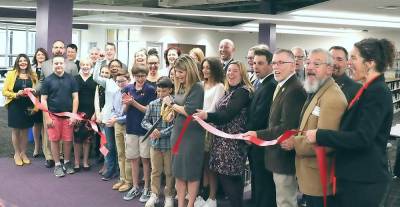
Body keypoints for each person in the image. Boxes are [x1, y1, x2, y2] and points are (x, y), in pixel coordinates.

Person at [305, 38, 396, 207]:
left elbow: (362, 138)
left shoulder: (377, 92)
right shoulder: (367, 89)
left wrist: (320, 135)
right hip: (354, 176)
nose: (348, 63)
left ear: (369, 63)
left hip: (363, 179)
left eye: (353, 58)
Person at [282, 49, 347, 207]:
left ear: (330, 69)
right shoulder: (318, 91)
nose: (310, 67)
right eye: (308, 62)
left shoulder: (332, 98)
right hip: (311, 176)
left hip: (320, 179)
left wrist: (294, 143)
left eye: (316, 64)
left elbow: (326, 141)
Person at [243, 49, 306, 207]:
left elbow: (287, 127)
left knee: (285, 201)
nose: (276, 66)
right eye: (274, 63)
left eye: (281, 63)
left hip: (284, 157)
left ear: (293, 66)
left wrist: (257, 133)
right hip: (275, 155)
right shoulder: (282, 85)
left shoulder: (295, 89)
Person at [195, 60, 252, 207]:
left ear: (242, 74)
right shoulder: (231, 91)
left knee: (231, 182)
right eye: (229, 70)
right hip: (222, 143)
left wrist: (207, 115)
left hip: (232, 145)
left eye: (235, 71)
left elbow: (227, 114)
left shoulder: (242, 92)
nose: (231, 74)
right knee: (227, 182)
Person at [163, 54, 204, 207]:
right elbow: (180, 109)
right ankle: (181, 204)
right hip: (178, 133)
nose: (178, 75)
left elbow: (189, 111)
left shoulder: (197, 87)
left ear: (190, 70)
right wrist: (172, 113)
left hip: (192, 136)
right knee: (179, 173)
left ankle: (190, 204)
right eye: (176, 72)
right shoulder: (181, 86)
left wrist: (172, 104)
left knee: (191, 173)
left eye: (181, 72)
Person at [39, 40, 79, 168]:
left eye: (61, 47)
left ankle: (65, 161)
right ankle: (52, 160)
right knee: (52, 138)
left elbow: (75, 95)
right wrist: (46, 116)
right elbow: (42, 95)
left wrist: (74, 114)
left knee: (67, 139)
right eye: (56, 47)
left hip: (68, 113)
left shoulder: (72, 69)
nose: (58, 65)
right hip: (52, 112)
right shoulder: (46, 71)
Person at [246, 48, 277, 207]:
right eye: (254, 63)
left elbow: (260, 116)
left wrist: (247, 133)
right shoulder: (260, 83)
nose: (255, 66)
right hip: (255, 141)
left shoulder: (270, 85)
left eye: (260, 63)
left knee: (264, 185)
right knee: (257, 182)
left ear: (271, 65)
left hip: (261, 142)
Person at [122, 65, 157, 202]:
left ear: (146, 75)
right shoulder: (128, 88)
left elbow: (148, 110)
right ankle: (135, 186)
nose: (140, 78)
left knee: (146, 160)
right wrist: (126, 103)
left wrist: (133, 102)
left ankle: (147, 188)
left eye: (143, 76)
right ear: (133, 76)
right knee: (133, 159)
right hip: (130, 127)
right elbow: (124, 110)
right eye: (137, 76)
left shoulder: (150, 89)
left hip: (144, 130)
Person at [194, 57, 225, 207]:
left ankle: (213, 198)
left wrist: (200, 114)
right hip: (197, 128)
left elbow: (214, 110)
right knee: (202, 165)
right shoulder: (200, 85)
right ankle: (204, 193)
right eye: (203, 67)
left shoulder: (219, 86)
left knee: (210, 165)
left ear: (215, 69)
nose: (205, 70)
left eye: (208, 67)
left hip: (210, 129)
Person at [141, 77, 175, 207]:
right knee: (155, 171)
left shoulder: (174, 105)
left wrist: (162, 133)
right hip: (155, 144)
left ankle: (169, 195)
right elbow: (144, 121)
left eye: (164, 91)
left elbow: (176, 124)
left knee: (169, 172)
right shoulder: (153, 104)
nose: (161, 94)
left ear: (170, 90)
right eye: (159, 91)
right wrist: (152, 129)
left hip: (169, 144)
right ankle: (154, 194)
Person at [2, 54, 38, 166]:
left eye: (25, 61)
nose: (23, 62)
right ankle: (17, 154)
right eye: (20, 61)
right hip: (15, 105)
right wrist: (15, 94)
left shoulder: (33, 75)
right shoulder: (11, 74)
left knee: (25, 130)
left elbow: (37, 91)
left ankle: (23, 153)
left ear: (28, 62)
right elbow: (4, 91)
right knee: (16, 130)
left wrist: (33, 91)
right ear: (17, 62)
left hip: (28, 106)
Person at [93, 59, 125, 180]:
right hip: (107, 118)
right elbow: (95, 77)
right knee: (109, 145)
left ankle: (121, 171)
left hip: (120, 118)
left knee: (120, 147)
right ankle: (111, 169)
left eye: (117, 66)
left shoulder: (125, 81)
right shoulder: (108, 81)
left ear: (121, 67)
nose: (115, 68)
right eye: (112, 66)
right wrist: (99, 62)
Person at [108, 70, 132, 192]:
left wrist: (116, 119)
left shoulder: (132, 92)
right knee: (120, 153)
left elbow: (131, 114)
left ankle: (129, 181)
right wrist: (113, 117)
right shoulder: (116, 92)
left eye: (123, 81)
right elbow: (113, 108)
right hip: (117, 124)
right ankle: (122, 178)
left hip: (128, 125)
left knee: (128, 155)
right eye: (118, 81)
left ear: (128, 79)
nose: (120, 83)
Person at [73, 59, 97, 172]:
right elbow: (72, 97)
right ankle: (77, 162)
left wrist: (96, 113)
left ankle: (86, 162)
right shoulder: (75, 79)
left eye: (88, 64)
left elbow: (98, 98)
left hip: (91, 113)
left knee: (88, 139)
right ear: (80, 66)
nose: (85, 66)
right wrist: (74, 114)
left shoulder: (95, 79)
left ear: (91, 66)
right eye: (83, 65)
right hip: (78, 112)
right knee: (77, 139)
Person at [31, 47, 49, 157]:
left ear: (46, 56)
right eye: (38, 55)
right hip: (34, 99)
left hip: (46, 99)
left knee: (44, 124)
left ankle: (44, 147)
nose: (40, 56)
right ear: (35, 57)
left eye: (42, 55)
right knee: (36, 124)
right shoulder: (31, 69)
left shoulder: (49, 68)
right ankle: (36, 147)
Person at [94, 66, 111, 175]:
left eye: (106, 73)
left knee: (107, 144)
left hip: (108, 119)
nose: (104, 74)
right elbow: (96, 102)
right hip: (100, 119)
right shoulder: (98, 86)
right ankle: (105, 163)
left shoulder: (110, 86)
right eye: (102, 72)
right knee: (102, 144)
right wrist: (97, 115)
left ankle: (107, 164)